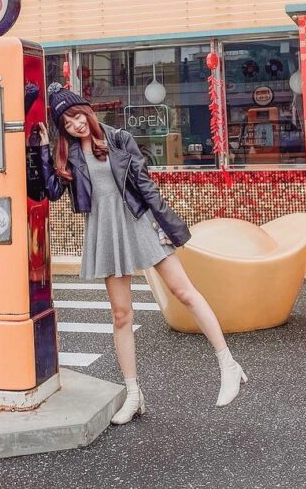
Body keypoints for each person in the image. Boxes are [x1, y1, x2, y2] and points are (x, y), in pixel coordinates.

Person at [38, 84, 247, 425]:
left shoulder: (119, 139)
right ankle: (133, 393)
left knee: (184, 292)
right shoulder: (69, 154)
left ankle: (228, 363)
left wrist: (165, 223)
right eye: (66, 123)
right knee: (121, 315)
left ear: (87, 111)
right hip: (106, 231)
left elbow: (146, 186)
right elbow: (51, 191)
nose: (75, 125)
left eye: (77, 116)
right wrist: (46, 149)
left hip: (139, 221)